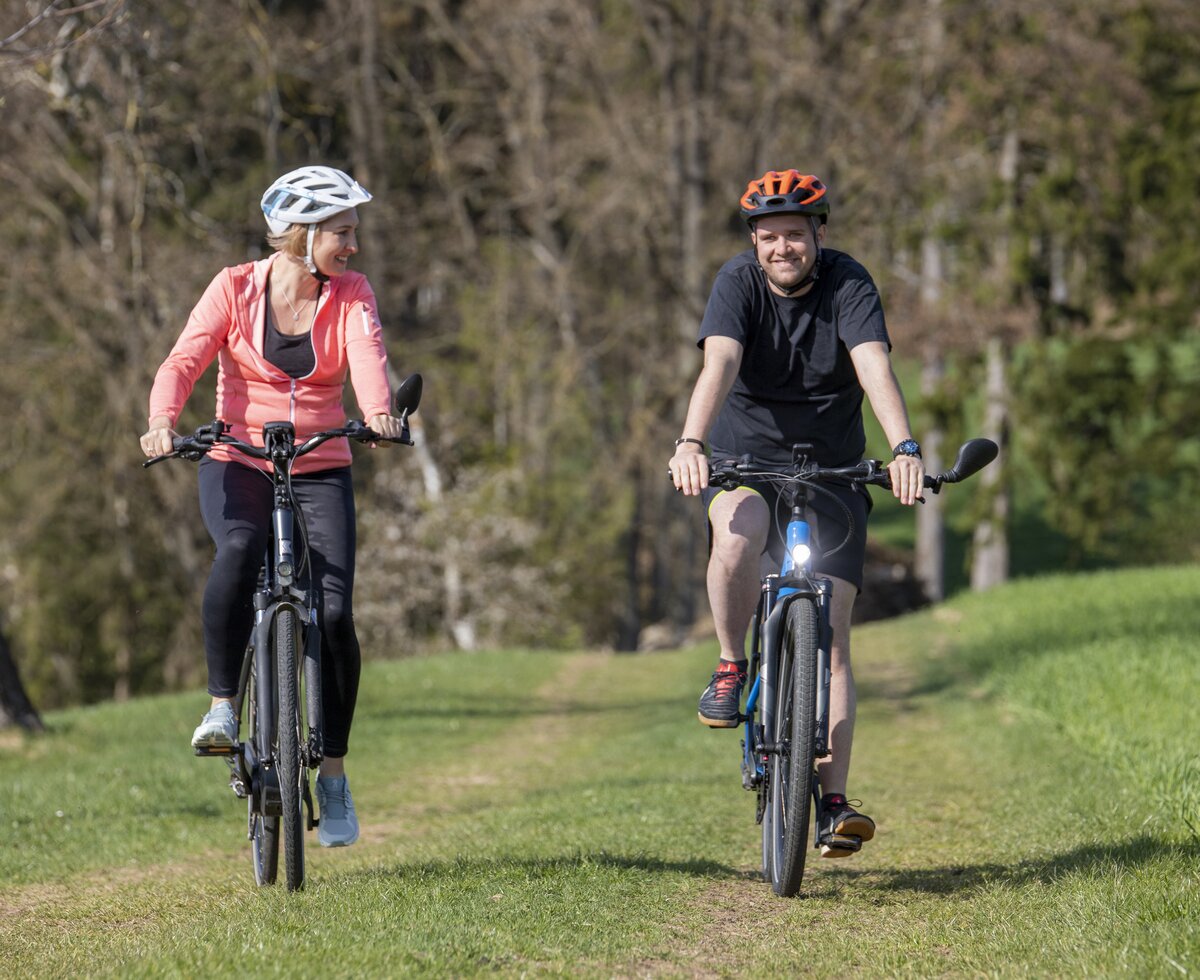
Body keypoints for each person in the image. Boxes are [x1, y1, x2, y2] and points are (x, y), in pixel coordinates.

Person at [139, 165, 407, 848]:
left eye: (353, 232)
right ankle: (224, 708)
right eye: (341, 232)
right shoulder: (233, 287)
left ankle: (336, 777)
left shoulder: (351, 293)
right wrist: (163, 420)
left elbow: (368, 354)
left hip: (321, 462)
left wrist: (379, 414)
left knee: (338, 612)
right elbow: (184, 359)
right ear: (302, 233)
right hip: (239, 457)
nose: (353, 245)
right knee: (236, 551)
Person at [668, 169, 925, 858]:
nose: (783, 248)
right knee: (738, 535)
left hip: (835, 469)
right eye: (770, 236)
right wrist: (692, 442)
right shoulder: (737, 285)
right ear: (755, 241)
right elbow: (718, 366)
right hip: (746, 462)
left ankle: (834, 802)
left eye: (796, 235)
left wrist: (902, 447)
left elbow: (873, 367)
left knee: (834, 637)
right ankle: (731, 665)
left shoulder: (849, 284)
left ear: (820, 235)